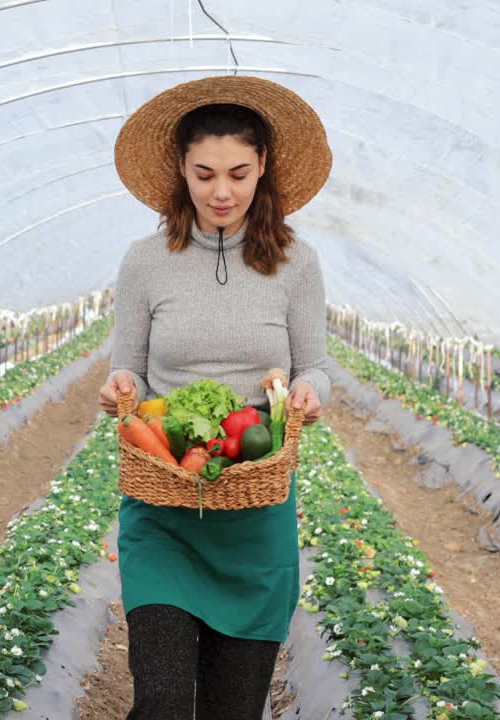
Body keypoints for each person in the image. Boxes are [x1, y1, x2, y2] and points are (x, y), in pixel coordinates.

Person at [97, 75, 334, 719]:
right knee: (164, 703)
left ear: (263, 168)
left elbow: (315, 363)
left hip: (255, 510)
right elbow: (131, 369)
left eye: (237, 172)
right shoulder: (145, 261)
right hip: (166, 502)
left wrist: (308, 391)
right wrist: (122, 388)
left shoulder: (296, 262)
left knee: (234, 711)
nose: (221, 191)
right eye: (204, 174)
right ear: (181, 170)